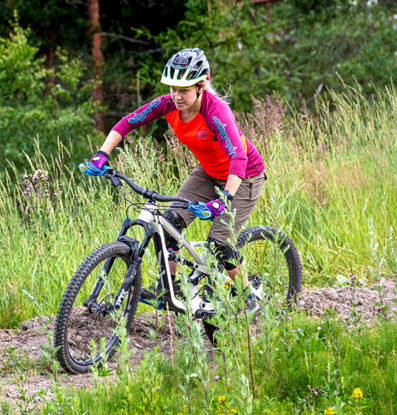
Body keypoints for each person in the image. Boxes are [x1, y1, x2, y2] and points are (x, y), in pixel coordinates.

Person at [88, 48, 266, 289]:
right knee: (169, 224)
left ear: (202, 86)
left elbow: (239, 158)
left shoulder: (216, 113)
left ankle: (249, 297)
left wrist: (224, 199)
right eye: (173, 89)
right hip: (208, 171)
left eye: (184, 90)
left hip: (244, 177)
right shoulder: (167, 105)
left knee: (220, 245)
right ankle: (171, 288)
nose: (177, 96)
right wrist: (101, 154)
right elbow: (127, 122)